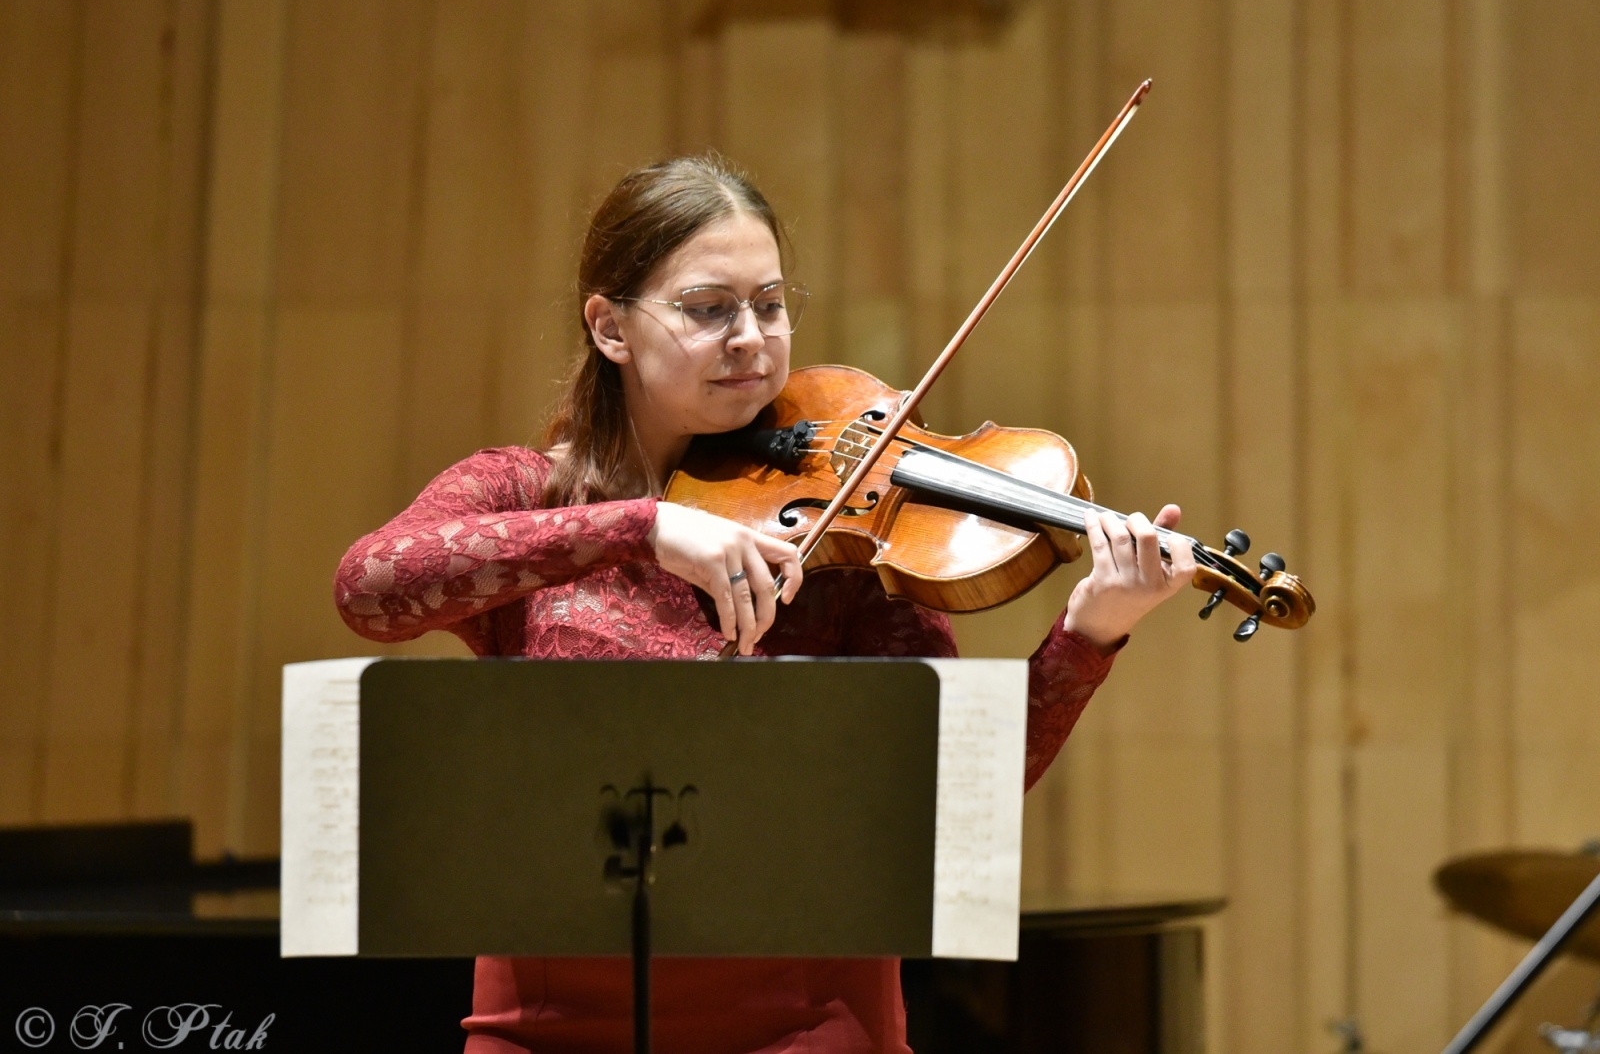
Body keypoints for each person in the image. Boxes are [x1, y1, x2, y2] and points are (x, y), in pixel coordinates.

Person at [334, 153, 1197, 1054]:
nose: (751, 337)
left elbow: (951, 791)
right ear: (610, 327)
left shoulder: (848, 526)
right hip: (546, 1023)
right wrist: (646, 526)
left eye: (771, 304)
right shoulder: (524, 493)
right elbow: (370, 587)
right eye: (708, 309)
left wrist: (1090, 633)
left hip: (806, 1020)